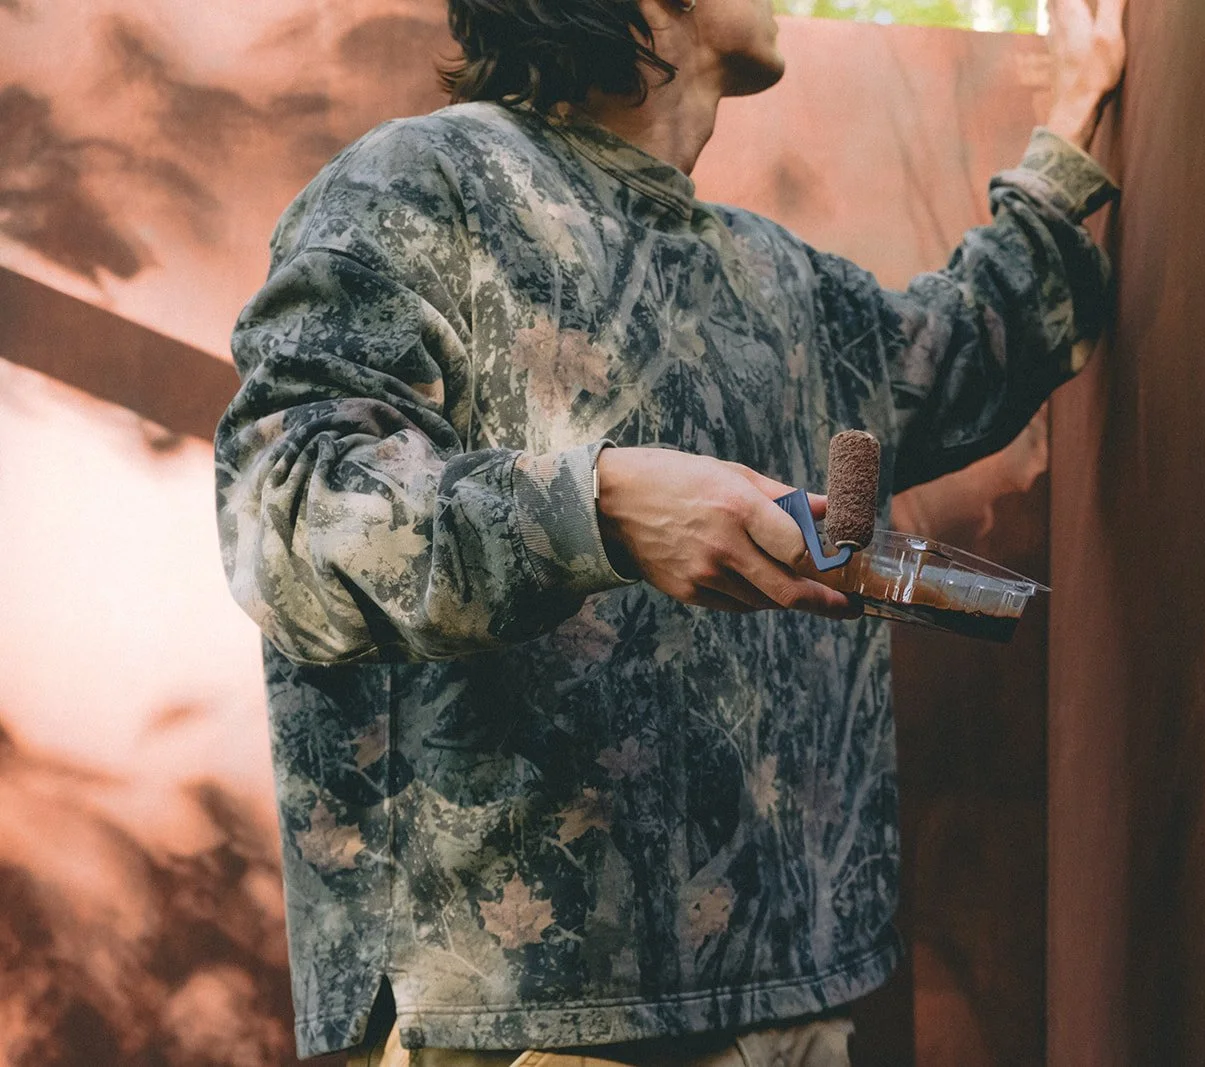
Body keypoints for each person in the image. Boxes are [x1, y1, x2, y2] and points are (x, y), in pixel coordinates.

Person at [213, 0, 1125, 1060]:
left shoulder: (773, 276)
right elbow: (287, 515)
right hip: (519, 1029)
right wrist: (596, 506)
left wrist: (1068, 129)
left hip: (795, 1016)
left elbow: (962, 348)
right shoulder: (420, 183)